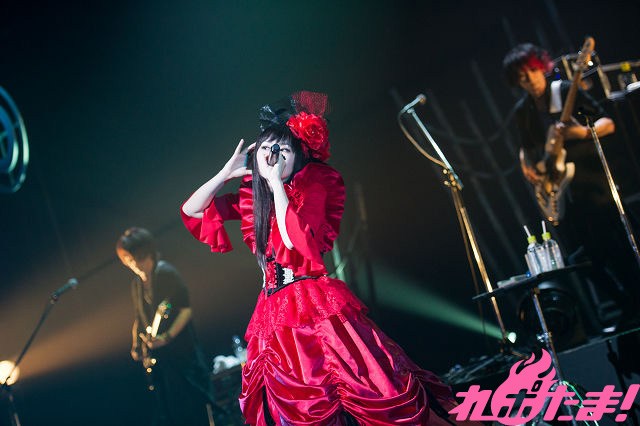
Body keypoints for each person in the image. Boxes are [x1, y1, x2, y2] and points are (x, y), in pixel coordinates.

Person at [503, 43, 639, 330]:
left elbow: (607, 123)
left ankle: (634, 305)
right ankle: (627, 305)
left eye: (532, 72)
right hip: (566, 197)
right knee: (582, 260)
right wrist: (526, 164)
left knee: (618, 250)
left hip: (594, 187)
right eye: (522, 77)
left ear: (542, 68)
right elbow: (526, 146)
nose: (529, 80)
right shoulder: (523, 111)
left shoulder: (565, 91)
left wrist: (581, 132)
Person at [116, 227, 216, 426]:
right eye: (128, 260)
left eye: (135, 258)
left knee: (194, 406)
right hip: (161, 361)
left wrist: (167, 337)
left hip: (182, 353)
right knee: (171, 411)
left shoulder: (166, 273)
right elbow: (139, 317)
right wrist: (136, 345)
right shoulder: (137, 284)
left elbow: (185, 310)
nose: (133, 264)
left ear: (146, 252)